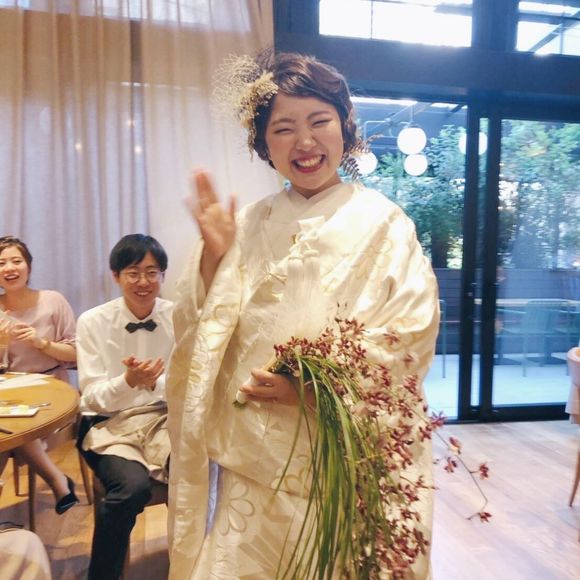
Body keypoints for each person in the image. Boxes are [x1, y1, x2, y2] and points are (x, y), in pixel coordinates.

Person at [166, 52, 439, 579]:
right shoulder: (249, 223)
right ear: (263, 144)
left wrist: (316, 389)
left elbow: (410, 335)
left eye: (319, 121)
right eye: (284, 128)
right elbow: (199, 333)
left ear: (345, 127)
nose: (305, 141)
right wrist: (215, 261)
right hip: (256, 459)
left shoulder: (385, 223)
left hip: (347, 458)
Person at [76, 233, 174, 580]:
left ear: (163, 276)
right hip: (109, 425)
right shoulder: (92, 321)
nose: (143, 282)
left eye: (152, 272)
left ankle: (196, 565)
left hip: (164, 420)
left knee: (197, 474)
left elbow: (189, 384)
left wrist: (153, 382)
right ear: (116, 276)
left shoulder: (179, 317)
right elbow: (91, 397)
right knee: (130, 489)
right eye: (133, 273)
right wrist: (128, 381)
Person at [0, 236, 78, 514]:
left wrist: (41, 343)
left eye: (16, 261)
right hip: (9, 391)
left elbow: (76, 353)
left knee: (11, 431)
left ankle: (57, 481)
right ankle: (58, 480)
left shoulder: (52, 301)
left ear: (29, 267)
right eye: (1, 263)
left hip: (51, 388)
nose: (9, 268)